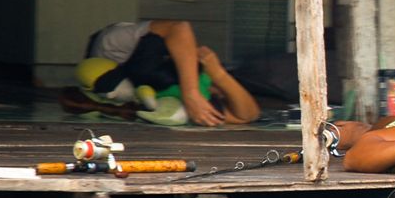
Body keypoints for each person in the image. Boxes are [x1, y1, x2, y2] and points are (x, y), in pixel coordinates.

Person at [76, 20, 259, 126]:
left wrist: (220, 75)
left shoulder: (175, 92)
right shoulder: (110, 44)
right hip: (114, 55)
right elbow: (180, 28)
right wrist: (191, 93)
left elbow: (246, 115)